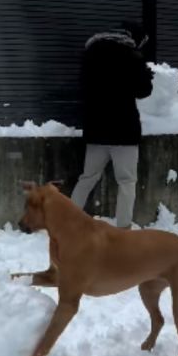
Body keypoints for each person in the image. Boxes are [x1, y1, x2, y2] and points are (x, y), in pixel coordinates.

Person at [70, 20, 154, 229]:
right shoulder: (132, 56)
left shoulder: (91, 53)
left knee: (87, 177)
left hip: (96, 129)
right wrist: (146, 74)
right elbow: (144, 91)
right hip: (124, 130)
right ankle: (123, 228)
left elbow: (82, 85)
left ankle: (66, 221)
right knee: (126, 182)